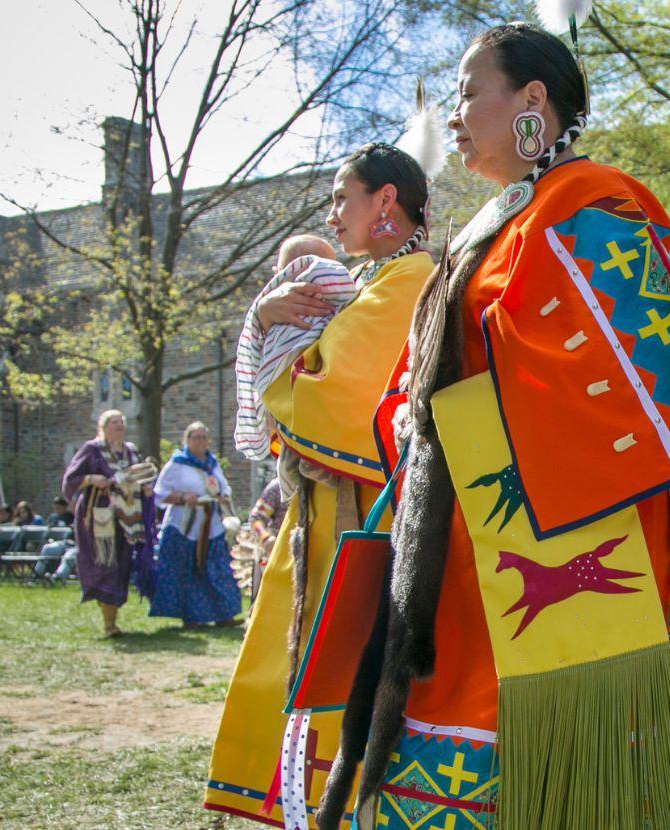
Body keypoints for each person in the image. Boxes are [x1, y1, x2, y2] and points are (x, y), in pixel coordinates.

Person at [312, 21, 670, 830]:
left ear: (532, 100)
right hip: (462, 531)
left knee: (528, 725)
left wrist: (460, 366)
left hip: (558, 522)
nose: (455, 115)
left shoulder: (595, 200)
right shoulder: (502, 217)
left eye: (468, 93)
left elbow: (645, 364)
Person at [205, 139, 442, 826]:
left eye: (343, 197)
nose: (334, 215)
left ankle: (335, 805)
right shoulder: (380, 280)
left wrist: (268, 337)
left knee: (341, 671)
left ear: (386, 202)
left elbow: (330, 394)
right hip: (333, 518)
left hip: (365, 524)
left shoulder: (409, 280)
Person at [62, 410, 157, 637]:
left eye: (121, 423)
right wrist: (90, 479)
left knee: (121, 565)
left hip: (127, 519)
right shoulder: (92, 450)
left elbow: (140, 478)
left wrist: (144, 488)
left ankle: (113, 620)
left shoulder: (131, 451)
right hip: (98, 517)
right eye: (114, 423)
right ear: (103, 427)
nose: (119, 427)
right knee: (105, 565)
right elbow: (70, 479)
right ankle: (108, 624)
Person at [150, 421, 241, 628]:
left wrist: (224, 495)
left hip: (212, 524)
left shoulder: (212, 463)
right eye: (195, 437)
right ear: (186, 440)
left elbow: (224, 485)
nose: (200, 441)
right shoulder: (177, 464)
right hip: (185, 525)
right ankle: (191, 617)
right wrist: (182, 497)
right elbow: (160, 494)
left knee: (218, 570)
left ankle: (224, 615)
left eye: (203, 437)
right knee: (188, 571)